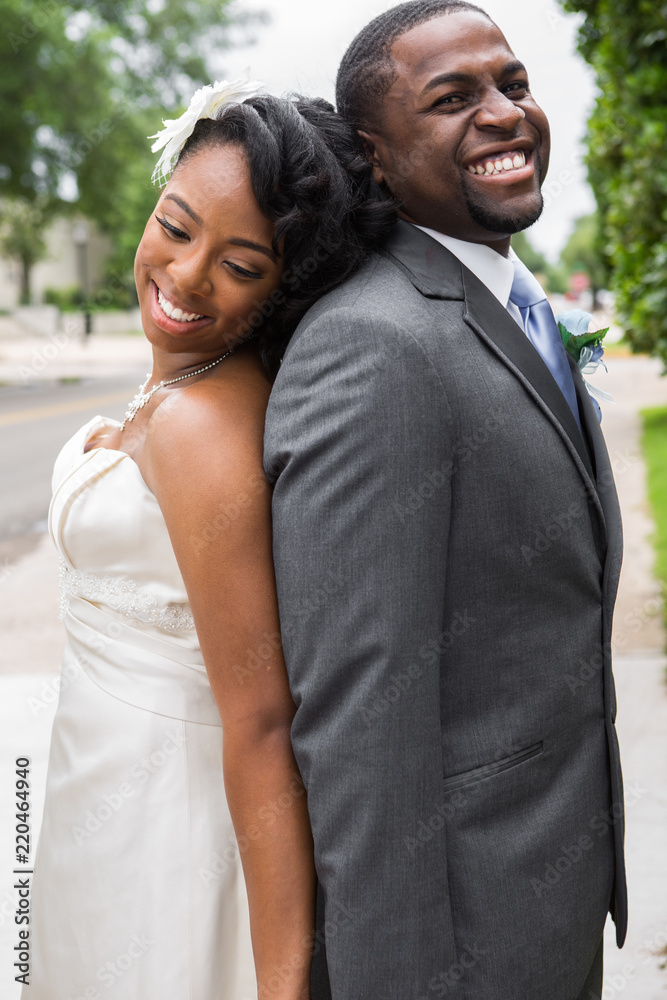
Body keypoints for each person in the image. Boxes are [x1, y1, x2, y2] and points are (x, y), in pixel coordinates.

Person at [263, 4, 627, 999]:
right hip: (456, 944)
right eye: (452, 99)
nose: (505, 114)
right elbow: (358, 722)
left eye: (511, 84)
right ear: (376, 157)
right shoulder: (372, 345)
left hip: (542, 902)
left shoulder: (506, 301)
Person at [24, 82, 394, 1000]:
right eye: (175, 226)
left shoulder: (201, 428)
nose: (185, 277)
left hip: (168, 828)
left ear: (285, 286)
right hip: (97, 795)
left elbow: (262, 722)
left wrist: (279, 981)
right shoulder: (184, 388)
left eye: (240, 265)